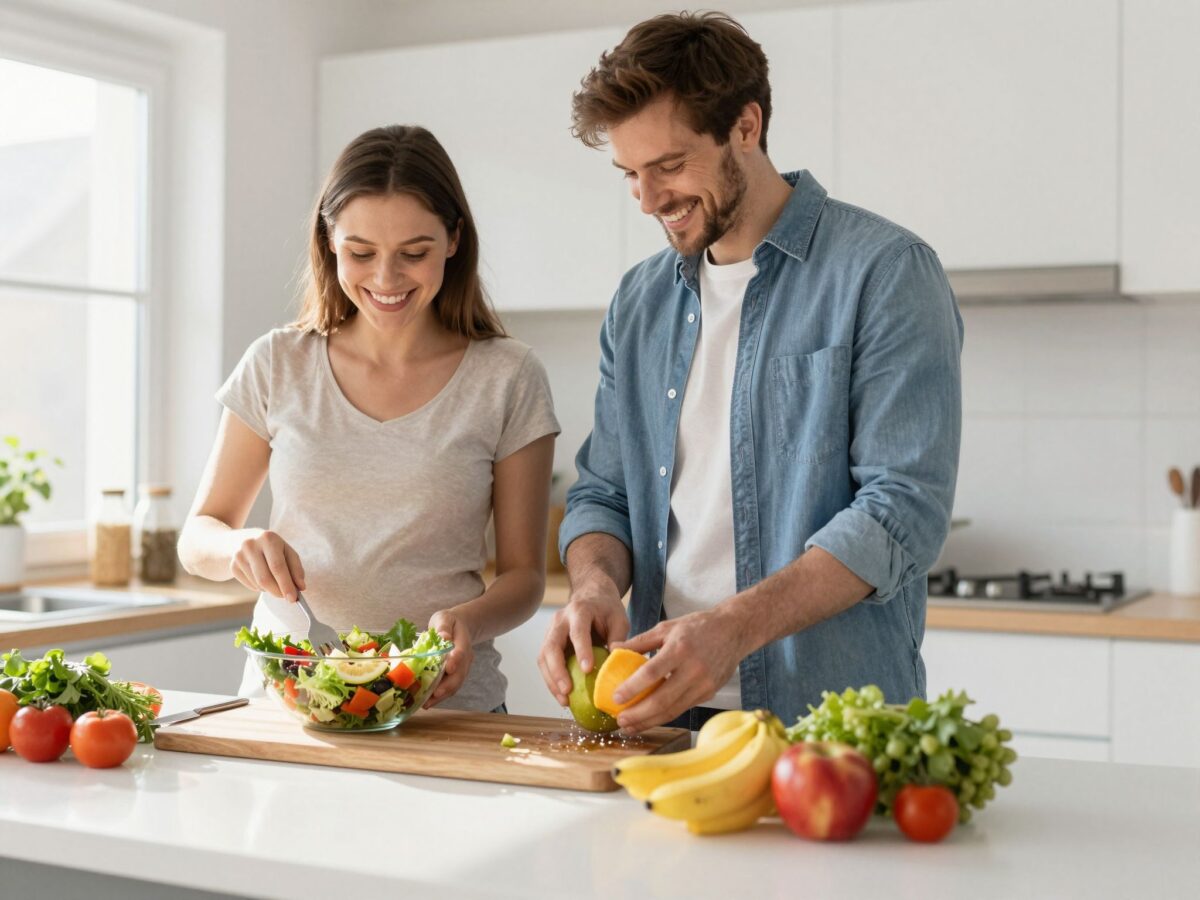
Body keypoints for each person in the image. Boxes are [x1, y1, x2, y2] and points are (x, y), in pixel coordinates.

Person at [538, 12, 963, 732]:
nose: (648, 199)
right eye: (630, 175)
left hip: (829, 723)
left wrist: (732, 628)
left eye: (669, 166)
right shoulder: (639, 302)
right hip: (658, 718)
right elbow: (604, 493)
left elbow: (901, 512)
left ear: (746, 125)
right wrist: (594, 585)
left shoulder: (884, 272)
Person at [179, 124, 560, 712]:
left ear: (454, 240)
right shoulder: (278, 363)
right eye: (361, 253)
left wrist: (466, 622)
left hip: (446, 707)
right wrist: (236, 547)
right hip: (291, 701)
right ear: (329, 240)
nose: (386, 280)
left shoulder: (508, 377)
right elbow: (198, 534)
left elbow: (523, 578)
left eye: (414, 253)